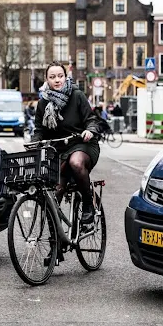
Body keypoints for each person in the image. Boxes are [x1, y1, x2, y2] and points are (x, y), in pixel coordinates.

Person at [33, 61, 101, 224]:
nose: (57, 80)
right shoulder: (43, 102)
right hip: (59, 150)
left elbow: (92, 119)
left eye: (60, 76)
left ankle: (87, 204)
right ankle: (57, 239)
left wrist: (89, 130)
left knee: (76, 163)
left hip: (82, 145)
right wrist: (35, 143)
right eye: (52, 77)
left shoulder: (77, 95)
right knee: (54, 194)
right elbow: (39, 130)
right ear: (46, 80)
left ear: (65, 77)